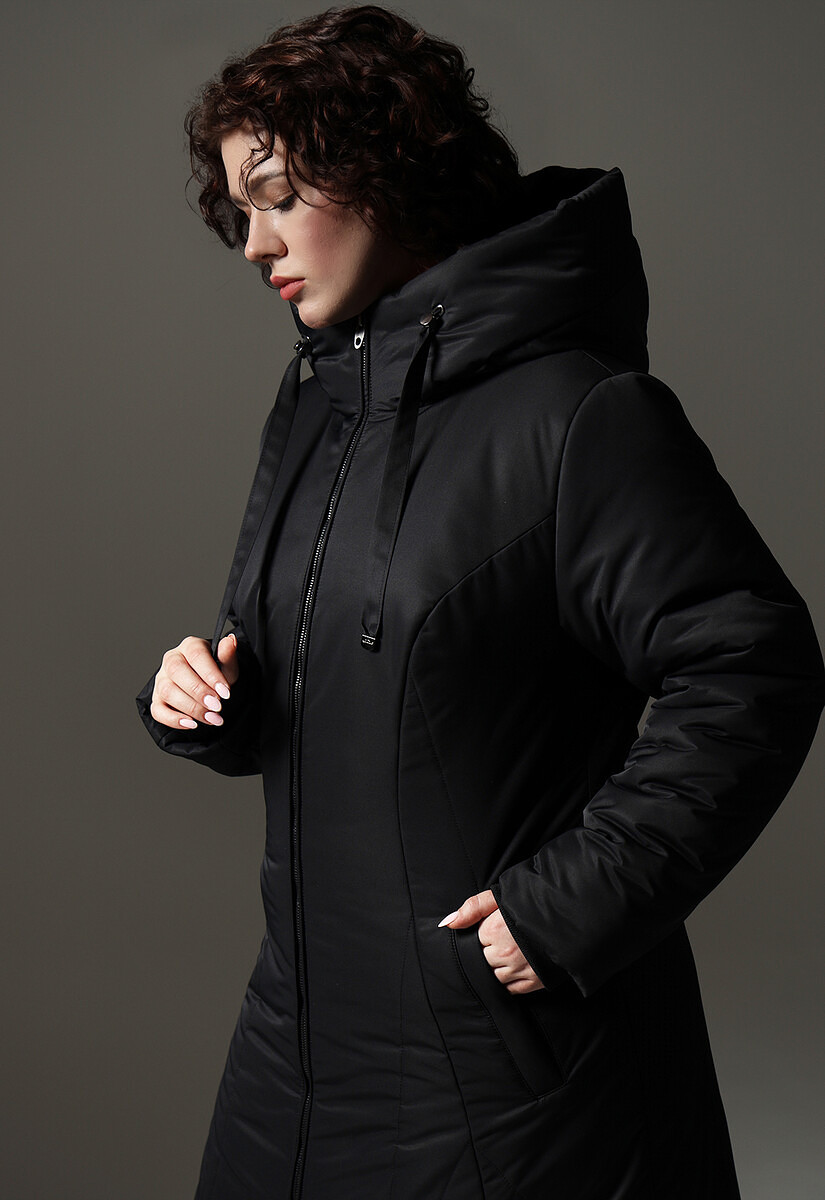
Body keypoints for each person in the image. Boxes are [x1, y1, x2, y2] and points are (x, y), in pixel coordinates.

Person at [136, 6, 824, 1198]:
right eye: (238, 211)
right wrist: (203, 692)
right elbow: (318, 661)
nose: (253, 244)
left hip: (503, 1082)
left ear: (386, 173)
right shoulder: (318, 408)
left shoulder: (579, 414)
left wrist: (572, 907)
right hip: (294, 1054)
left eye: (278, 196)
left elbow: (751, 663)